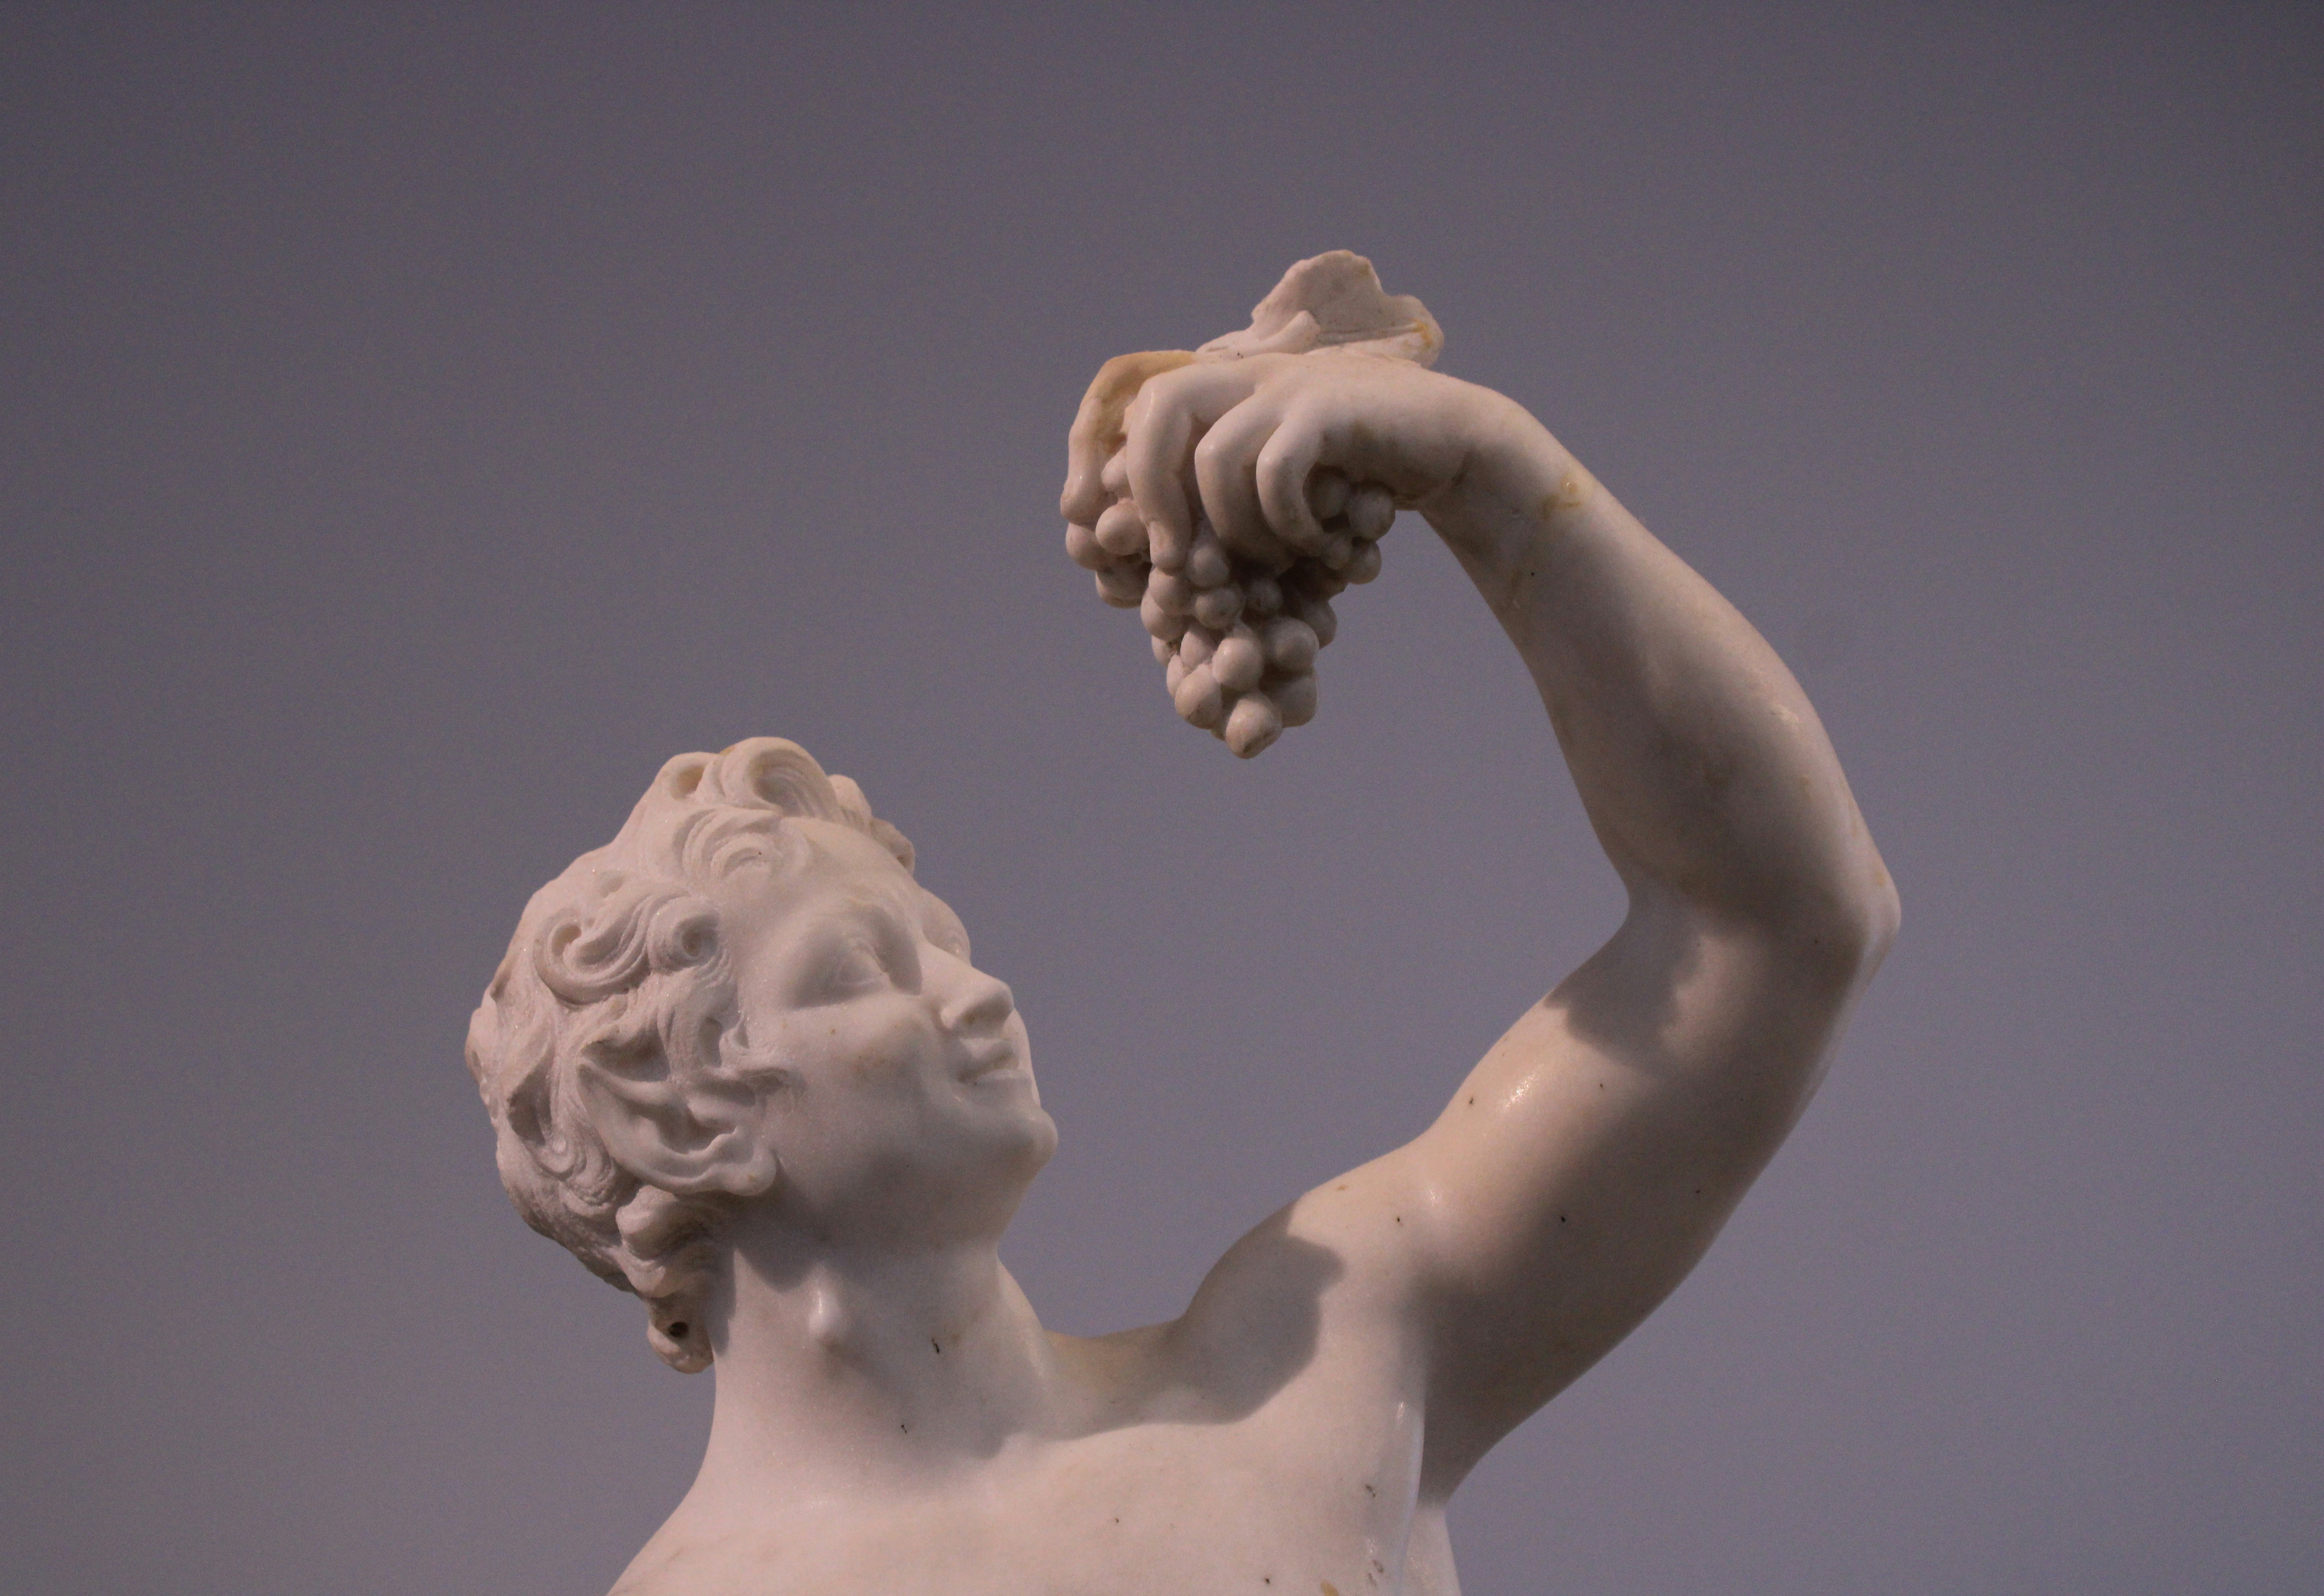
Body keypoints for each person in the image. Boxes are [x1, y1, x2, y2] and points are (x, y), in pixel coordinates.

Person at [466, 274, 1899, 1595]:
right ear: (687, 1114)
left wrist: (1496, 484)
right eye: (860, 973)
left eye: (945, 940)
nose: (980, 996)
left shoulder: (1318, 1371)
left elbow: (1777, 925)